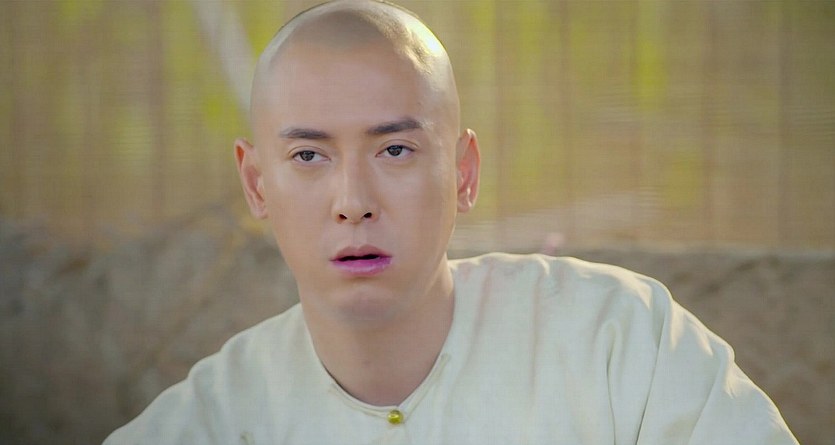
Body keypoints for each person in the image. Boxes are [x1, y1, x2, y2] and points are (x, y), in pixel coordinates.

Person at [105, 1, 798, 443]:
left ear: (463, 173)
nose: (353, 201)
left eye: (395, 150)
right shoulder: (207, 422)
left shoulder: (620, 344)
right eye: (309, 155)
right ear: (257, 184)